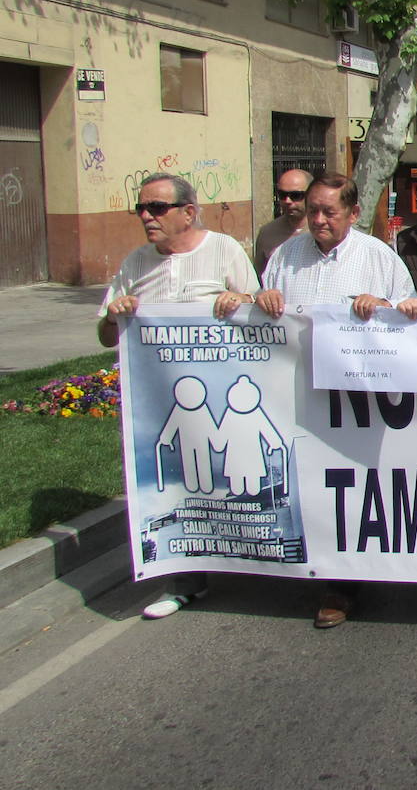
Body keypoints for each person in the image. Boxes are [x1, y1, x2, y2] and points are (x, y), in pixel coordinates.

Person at [246, 172, 417, 630]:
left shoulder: (378, 257)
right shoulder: (285, 256)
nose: (320, 220)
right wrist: (260, 299)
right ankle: (318, 563)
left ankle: (342, 581)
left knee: (352, 485)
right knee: (309, 482)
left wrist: (382, 304)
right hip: (300, 394)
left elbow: (411, 316)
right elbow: (267, 320)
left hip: (358, 400)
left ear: (353, 213)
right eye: (313, 211)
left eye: (330, 212)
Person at [98, 173, 258, 619]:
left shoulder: (224, 249)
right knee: (179, 490)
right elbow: (106, 334)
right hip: (159, 405)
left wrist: (238, 298)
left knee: (227, 482)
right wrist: (115, 315)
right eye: (142, 208)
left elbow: (259, 315)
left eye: (157, 207)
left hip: (222, 396)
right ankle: (183, 580)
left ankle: (248, 561)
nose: (147, 216)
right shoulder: (135, 264)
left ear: (188, 212)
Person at [253, 169, 310, 275]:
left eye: (295, 195)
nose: (288, 201)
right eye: (282, 195)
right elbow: (259, 277)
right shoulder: (267, 233)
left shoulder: (321, 231)